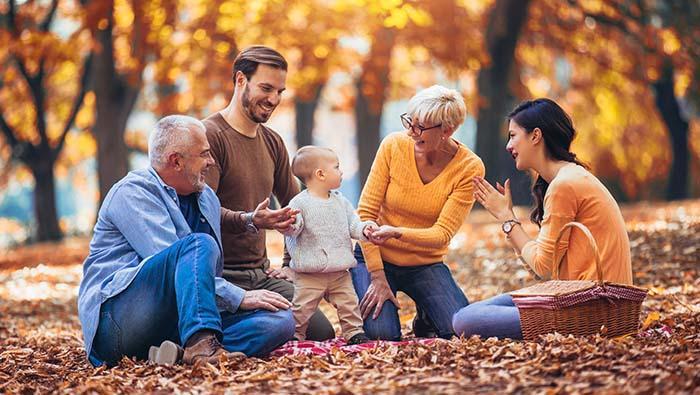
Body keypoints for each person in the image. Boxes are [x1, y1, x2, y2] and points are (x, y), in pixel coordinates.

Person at [78, 115, 295, 367]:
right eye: (204, 154)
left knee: (280, 321)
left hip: (173, 324)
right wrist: (238, 297)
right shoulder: (132, 192)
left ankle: (179, 353)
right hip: (116, 322)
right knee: (198, 244)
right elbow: (176, 265)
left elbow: (197, 283)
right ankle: (202, 346)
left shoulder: (207, 200)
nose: (211, 162)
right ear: (176, 161)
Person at [452, 98, 633, 339]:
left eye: (513, 135)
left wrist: (506, 218)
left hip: (590, 310)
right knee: (468, 313)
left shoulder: (564, 186)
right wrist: (509, 222)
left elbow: (543, 267)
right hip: (584, 299)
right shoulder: (570, 178)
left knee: (464, 320)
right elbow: (544, 266)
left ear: (535, 136)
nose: (508, 145)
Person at [202, 46, 335, 341]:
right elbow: (201, 213)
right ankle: (202, 335)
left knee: (320, 332)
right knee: (284, 326)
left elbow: (298, 209)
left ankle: (247, 325)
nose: (273, 99)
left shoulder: (272, 142)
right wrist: (251, 219)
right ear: (240, 80)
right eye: (266, 88)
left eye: (279, 91)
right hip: (220, 278)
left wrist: (291, 264)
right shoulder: (210, 136)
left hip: (262, 276)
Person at [350, 85, 485, 341]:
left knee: (462, 332)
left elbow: (442, 234)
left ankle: (426, 316)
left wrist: (397, 233)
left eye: (420, 127)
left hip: (424, 263)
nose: (411, 132)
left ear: (447, 130)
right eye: (410, 122)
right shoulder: (393, 145)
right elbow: (366, 212)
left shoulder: (469, 167)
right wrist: (377, 276)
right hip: (374, 257)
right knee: (383, 336)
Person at [284, 146, 379, 344]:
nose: (341, 171)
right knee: (302, 307)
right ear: (320, 174)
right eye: (336, 167)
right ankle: (295, 335)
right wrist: (289, 223)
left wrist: (366, 229)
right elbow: (293, 229)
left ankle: (354, 332)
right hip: (310, 274)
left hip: (339, 271)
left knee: (349, 303)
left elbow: (354, 225)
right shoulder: (299, 203)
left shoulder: (340, 201)